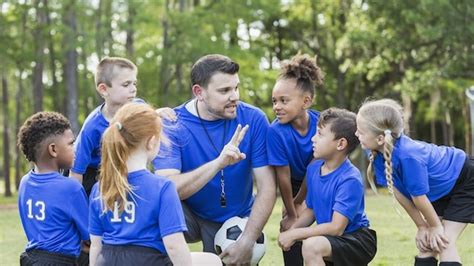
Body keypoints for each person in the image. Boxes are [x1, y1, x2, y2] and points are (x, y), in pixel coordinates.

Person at [153, 54, 276, 265]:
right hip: (188, 214)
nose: (235, 96)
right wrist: (218, 163)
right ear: (199, 92)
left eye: (236, 87)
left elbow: (267, 187)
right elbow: (169, 187)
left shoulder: (253, 119)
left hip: (234, 218)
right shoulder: (173, 124)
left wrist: (247, 240)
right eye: (224, 91)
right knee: (152, 209)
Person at [88, 103, 221, 266]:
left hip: (107, 260)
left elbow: (96, 245)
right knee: (212, 260)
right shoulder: (162, 187)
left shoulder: (100, 187)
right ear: (151, 142)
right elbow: (174, 246)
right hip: (147, 260)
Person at [356, 98, 473, 266]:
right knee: (427, 245)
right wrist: (422, 227)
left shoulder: (408, 156)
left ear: (381, 138)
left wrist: (435, 227)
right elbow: (400, 194)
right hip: (440, 190)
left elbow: (418, 197)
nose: (356, 134)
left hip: (465, 180)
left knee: (443, 241)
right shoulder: (377, 154)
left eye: (360, 131)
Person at [278, 108, 377, 266]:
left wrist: (296, 234)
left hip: (356, 240)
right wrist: (291, 230)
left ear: (341, 144)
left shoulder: (350, 179)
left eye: (320, 134)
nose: (313, 139)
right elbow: (311, 210)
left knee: (311, 246)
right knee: (311, 244)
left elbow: (336, 228)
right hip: (333, 240)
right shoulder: (313, 169)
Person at [70, 57, 174, 196]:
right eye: (126, 85)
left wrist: (157, 113)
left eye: (134, 83)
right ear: (104, 89)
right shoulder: (92, 127)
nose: (133, 89)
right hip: (96, 174)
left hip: (127, 168)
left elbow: (149, 120)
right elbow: (76, 172)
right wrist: (77, 208)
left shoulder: (138, 105)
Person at [267, 54, 323, 266]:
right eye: (274, 101)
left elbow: (315, 167)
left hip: (319, 179)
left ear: (305, 101)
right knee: (289, 226)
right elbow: (283, 176)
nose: (277, 107)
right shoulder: (276, 132)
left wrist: (301, 202)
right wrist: (291, 211)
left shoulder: (322, 124)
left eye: (284, 100)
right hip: (290, 183)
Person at [17, 112, 89, 265]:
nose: (75, 149)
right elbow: (89, 236)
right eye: (70, 144)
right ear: (53, 150)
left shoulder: (25, 182)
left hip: (31, 259)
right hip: (61, 261)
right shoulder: (70, 188)